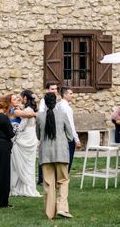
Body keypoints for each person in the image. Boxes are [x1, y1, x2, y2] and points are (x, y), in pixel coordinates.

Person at [36, 92, 74, 220]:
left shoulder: (39, 116)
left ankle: (49, 212)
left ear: (45, 102)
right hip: (61, 153)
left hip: (46, 153)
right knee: (63, 181)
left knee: (48, 183)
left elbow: (38, 135)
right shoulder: (62, 115)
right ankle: (62, 208)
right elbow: (70, 135)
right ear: (56, 101)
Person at [10, 90, 41, 197]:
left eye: (21, 97)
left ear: (25, 98)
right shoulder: (31, 109)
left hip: (26, 137)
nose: (20, 99)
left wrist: (13, 129)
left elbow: (22, 126)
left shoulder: (27, 110)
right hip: (32, 136)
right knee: (30, 163)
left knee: (20, 162)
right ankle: (27, 186)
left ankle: (22, 186)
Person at [38, 80, 60, 185]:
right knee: (44, 151)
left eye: (56, 89)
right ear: (48, 90)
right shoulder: (43, 101)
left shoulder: (58, 101)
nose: (54, 91)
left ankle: (53, 176)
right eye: (52, 89)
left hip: (55, 128)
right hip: (47, 127)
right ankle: (41, 178)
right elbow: (41, 113)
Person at [56, 87, 81, 171]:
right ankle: (64, 179)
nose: (72, 96)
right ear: (64, 95)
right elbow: (70, 124)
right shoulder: (66, 108)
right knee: (68, 159)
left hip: (59, 135)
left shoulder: (58, 105)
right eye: (70, 94)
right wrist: (76, 139)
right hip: (67, 136)